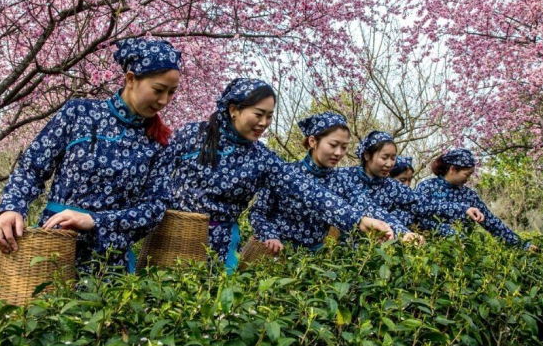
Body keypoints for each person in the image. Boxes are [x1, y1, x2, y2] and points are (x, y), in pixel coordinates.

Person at [148, 79, 394, 272]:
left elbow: (307, 190)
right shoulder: (194, 135)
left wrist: (359, 220)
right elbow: (156, 171)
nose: (264, 122)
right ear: (234, 110)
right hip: (175, 235)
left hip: (223, 242)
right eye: (258, 114)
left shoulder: (262, 157)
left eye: (269, 116)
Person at [0, 38, 182, 271]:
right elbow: (32, 168)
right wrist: (11, 208)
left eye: (172, 93)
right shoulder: (79, 113)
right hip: (52, 249)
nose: (164, 101)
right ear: (131, 79)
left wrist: (95, 221)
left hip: (109, 265)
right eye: (158, 90)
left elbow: (155, 207)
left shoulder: (160, 143)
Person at [250, 112, 421, 252]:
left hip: (313, 258)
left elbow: (367, 207)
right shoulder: (285, 173)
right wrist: (269, 235)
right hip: (274, 252)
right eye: (333, 145)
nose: (339, 153)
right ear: (313, 141)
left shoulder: (341, 180)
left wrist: (403, 232)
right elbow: (258, 212)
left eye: (344, 147)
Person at [339, 131, 486, 233]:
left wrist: (462, 209)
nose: (390, 164)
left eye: (393, 158)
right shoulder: (343, 177)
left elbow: (423, 204)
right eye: (384, 157)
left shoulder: (392, 186)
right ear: (366, 155)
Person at [416, 149, 536, 250]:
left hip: (463, 252)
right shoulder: (426, 188)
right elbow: (418, 215)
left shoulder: (469, 195)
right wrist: (451, 235)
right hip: (430, 249)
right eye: (466, 174)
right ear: (452, 169)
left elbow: (492, 222)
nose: (468, 179)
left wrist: (522, 245)